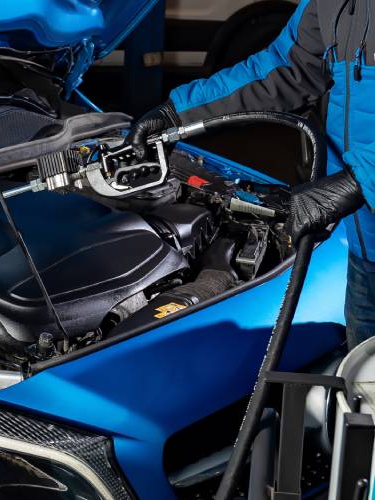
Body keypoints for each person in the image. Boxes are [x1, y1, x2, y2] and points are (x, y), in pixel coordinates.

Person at [126, 0, 374, 348]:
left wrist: (354, 183)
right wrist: (176, 114)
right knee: (363, 388)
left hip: (360, 203)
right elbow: (286, 67)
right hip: (367, 248)